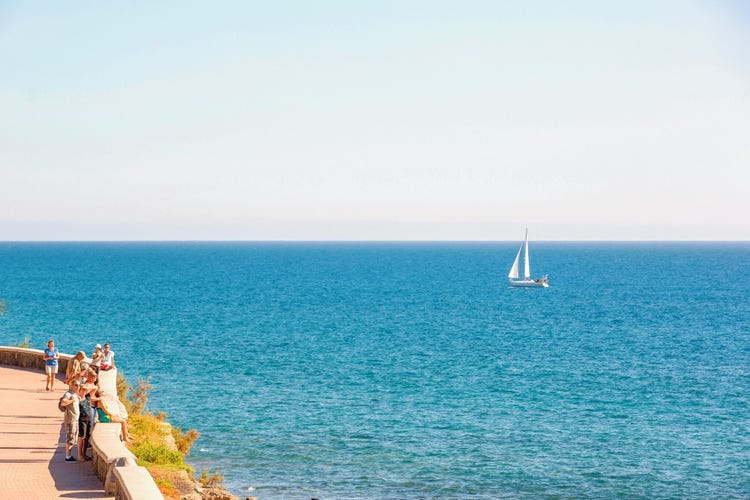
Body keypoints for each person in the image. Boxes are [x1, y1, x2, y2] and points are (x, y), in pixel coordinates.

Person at [60, 380, 80, 462]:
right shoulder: (68, 394)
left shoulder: (74, 394)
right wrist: (71, 400)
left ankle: (69, 456)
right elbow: (63, 403)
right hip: (70, 419)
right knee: (70, 438)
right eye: (76, 385)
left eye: (79, 385)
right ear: (71, 385)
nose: (78, 387)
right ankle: (67, 457)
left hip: (74, 419)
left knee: (73, 438)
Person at [77, 383, 93, 461]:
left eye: (85, 390)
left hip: (89, 419)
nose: (84, 391)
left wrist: (86, 387)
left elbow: (95, 388)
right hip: (82, 420)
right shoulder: (78, 398)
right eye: (83, 390)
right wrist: (82, 387)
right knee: (81, 437)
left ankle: (84, 454)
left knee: (87, 437)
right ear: (79, 390)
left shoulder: (88, 396)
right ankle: (80, 455)